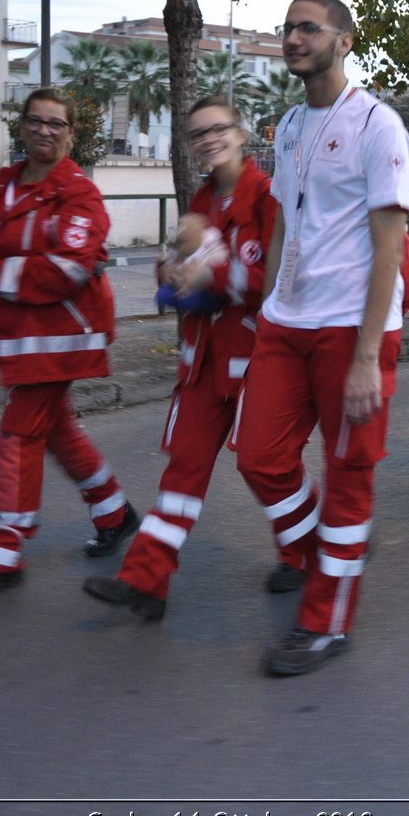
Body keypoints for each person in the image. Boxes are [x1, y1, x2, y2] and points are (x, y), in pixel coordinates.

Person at [230, 0, 409, 676]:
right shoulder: (288, 126)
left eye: (309, 27)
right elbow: (282, 223)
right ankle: (328, 549)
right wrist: (268, 308)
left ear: (344, 41)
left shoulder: (378, 125)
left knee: (348, 476)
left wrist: (368, 355)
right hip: (288, 321)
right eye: (288, 28)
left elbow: (389, 244)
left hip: (351, 330)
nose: (293, 37)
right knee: (257, 456)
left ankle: (325, 622)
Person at [81, 95, 288, 619]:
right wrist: (168, 273)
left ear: (241, 134)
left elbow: (279, 280)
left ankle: (314, 553)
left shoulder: (270, 198)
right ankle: (145, 580)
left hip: (257, 361)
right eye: (198, 134)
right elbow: (175, 264)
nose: (209, 140)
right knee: (183, 472)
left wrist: (212, 278)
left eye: (218, 129)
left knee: (268, 470)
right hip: (201, 365)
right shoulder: (198, 202)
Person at [0, 88, 137, 599]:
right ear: (22, 125)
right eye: (36, 121)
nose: (44, 131)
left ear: (71, 132)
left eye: (56, 123)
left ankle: (4, 548)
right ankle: (114, 513)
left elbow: (68, 269)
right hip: (18, 335)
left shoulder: (79, 192)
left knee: (19, 434)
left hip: (62, 335)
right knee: (54, 428)